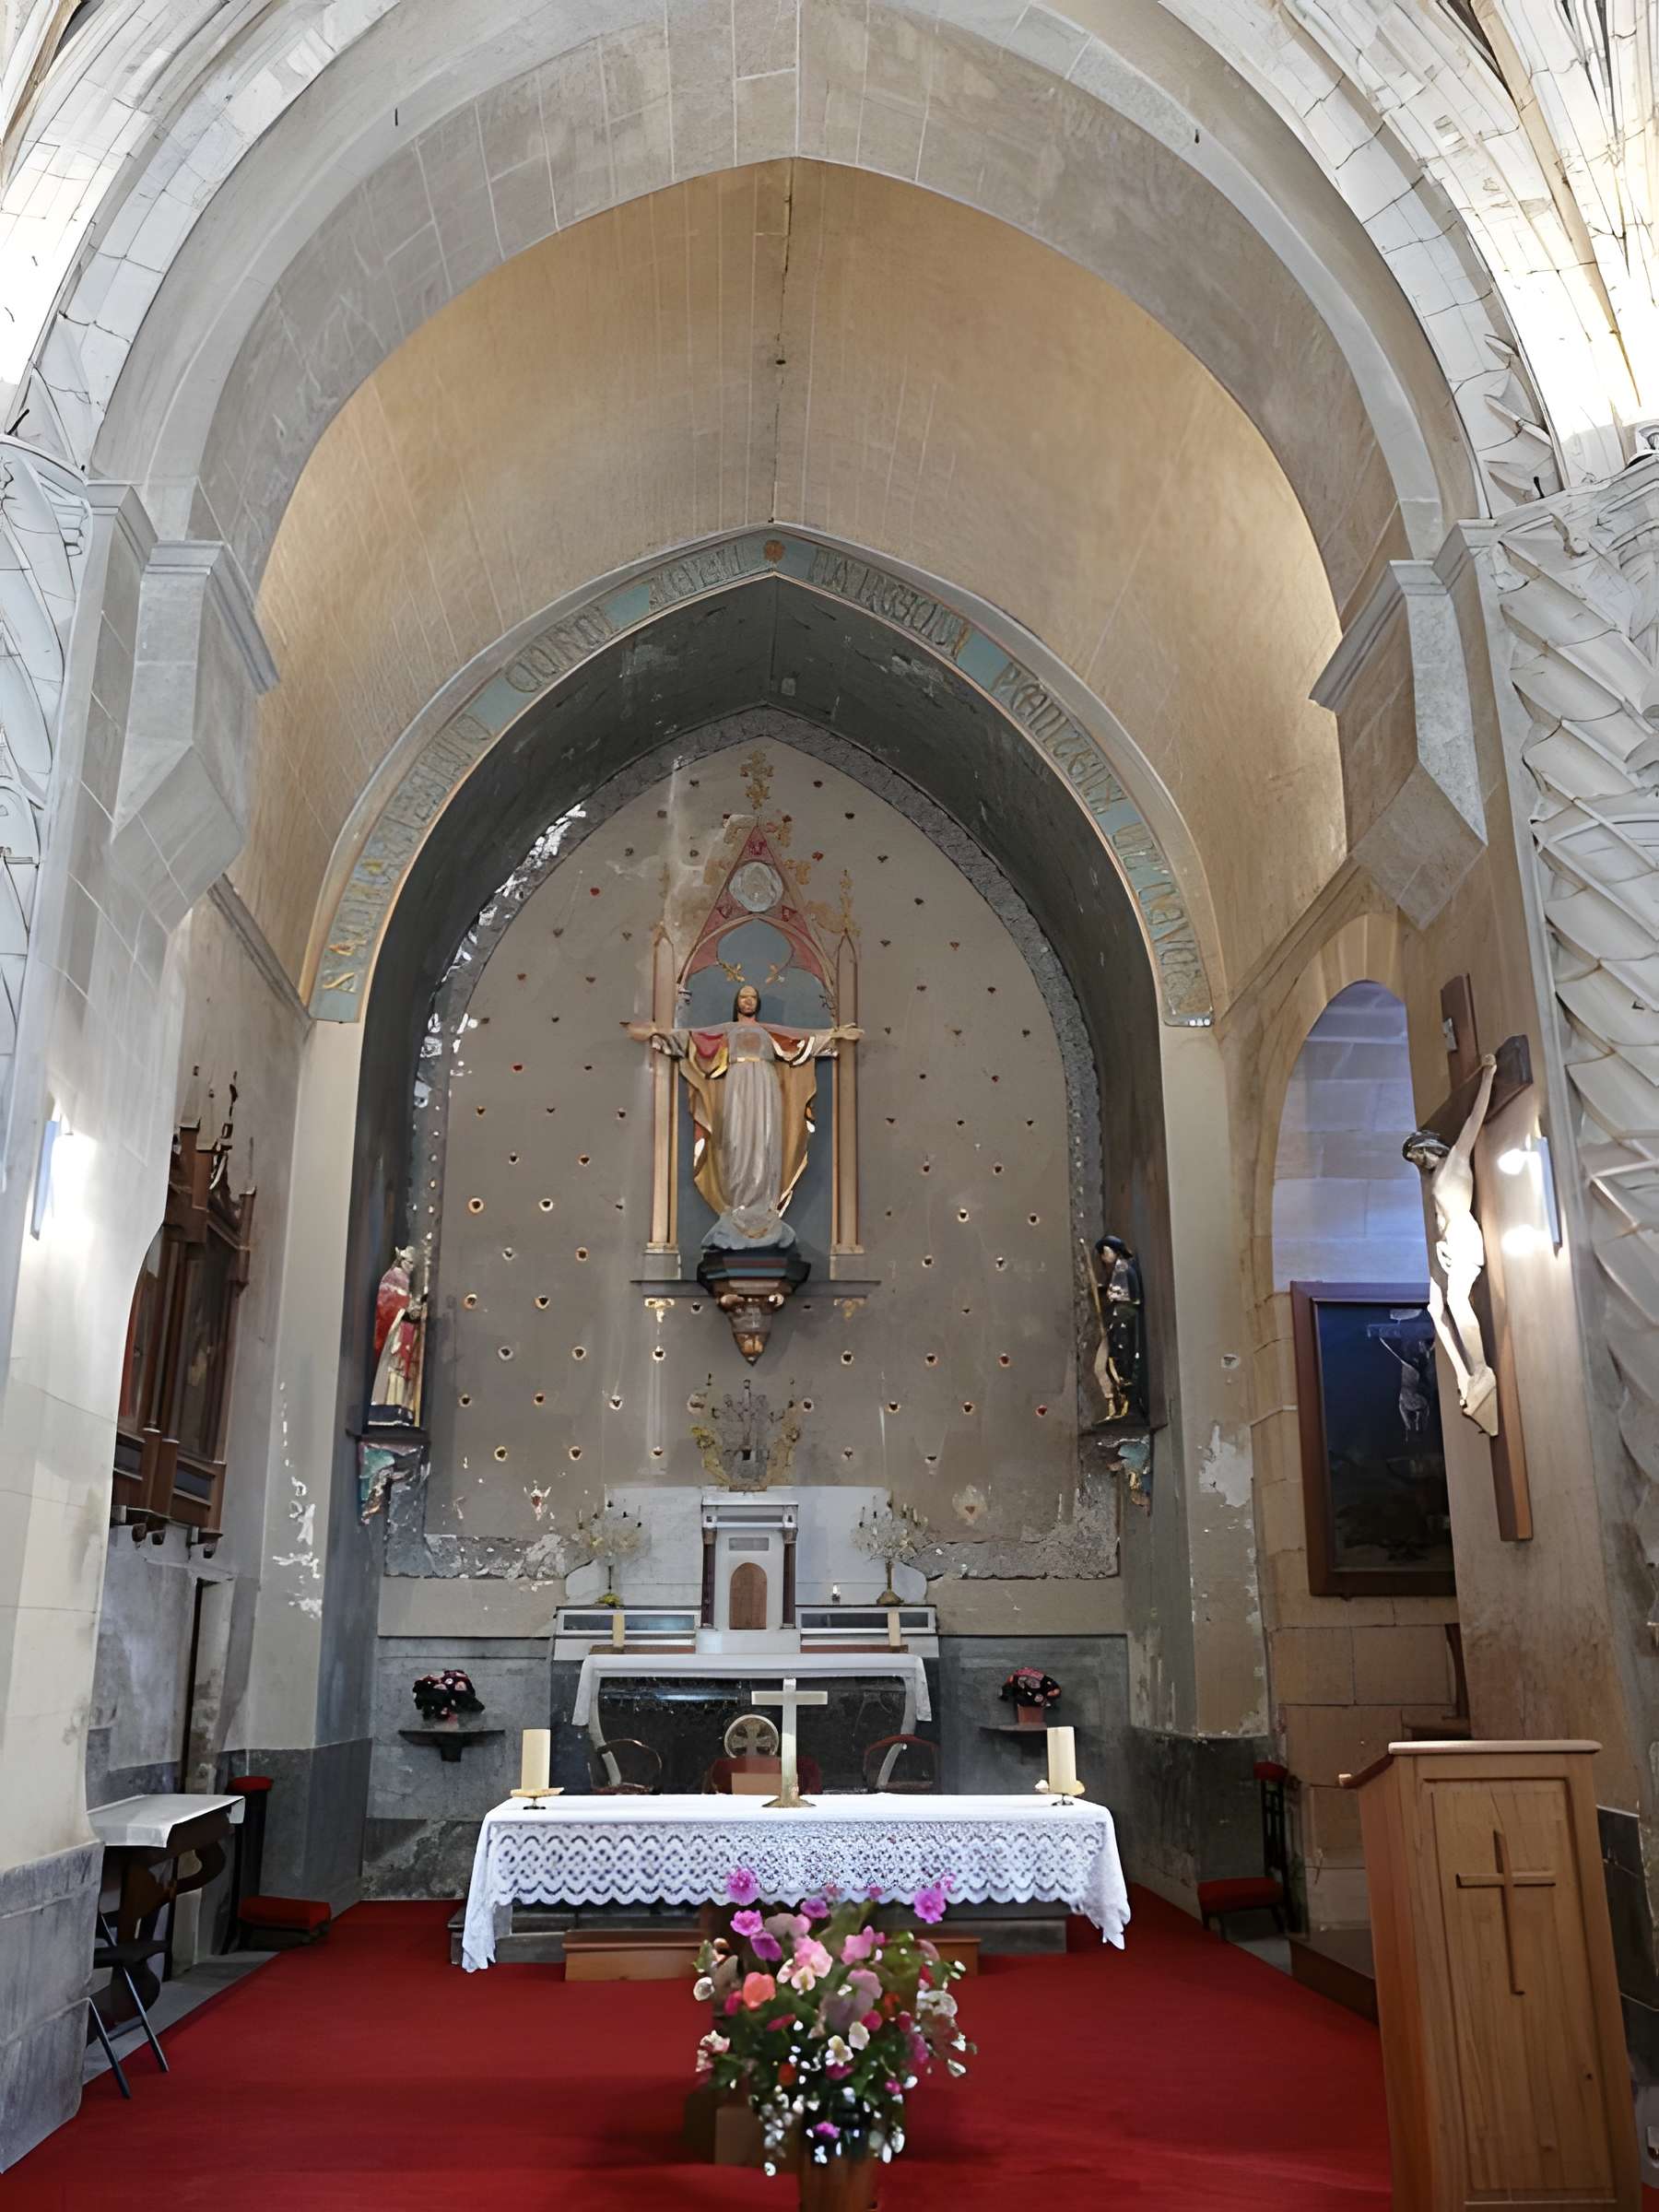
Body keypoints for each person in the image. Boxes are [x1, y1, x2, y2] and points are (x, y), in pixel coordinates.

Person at [628, 983, 860, 1248]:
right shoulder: (726, 1032)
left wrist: (837, 1035)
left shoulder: (769, 1033)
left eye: (752, 997)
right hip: (736, 1085)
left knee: (765, 1142)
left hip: (765, 1087)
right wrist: (658, 1032)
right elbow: (690, 1038)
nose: (748, 1001)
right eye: (743, 997)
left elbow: (804, 1040)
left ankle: (764, 1209)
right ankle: (738, 1209)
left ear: (757, 1003)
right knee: (736, 1142)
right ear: (736, 1002)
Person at [1404, 1053, 1499, 1436]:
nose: (1419, 1163)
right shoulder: (1432, 1179)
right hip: (1448, 1245)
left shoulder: (1457, 1160)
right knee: (1436, 1307)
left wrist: (1489, 1074)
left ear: (1431, 1148)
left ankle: (1480, 1370)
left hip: (1463, 1234)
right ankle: (1465, 1374)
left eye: (1419, 1155)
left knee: (1459, 1302)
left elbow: (1475, 1118)